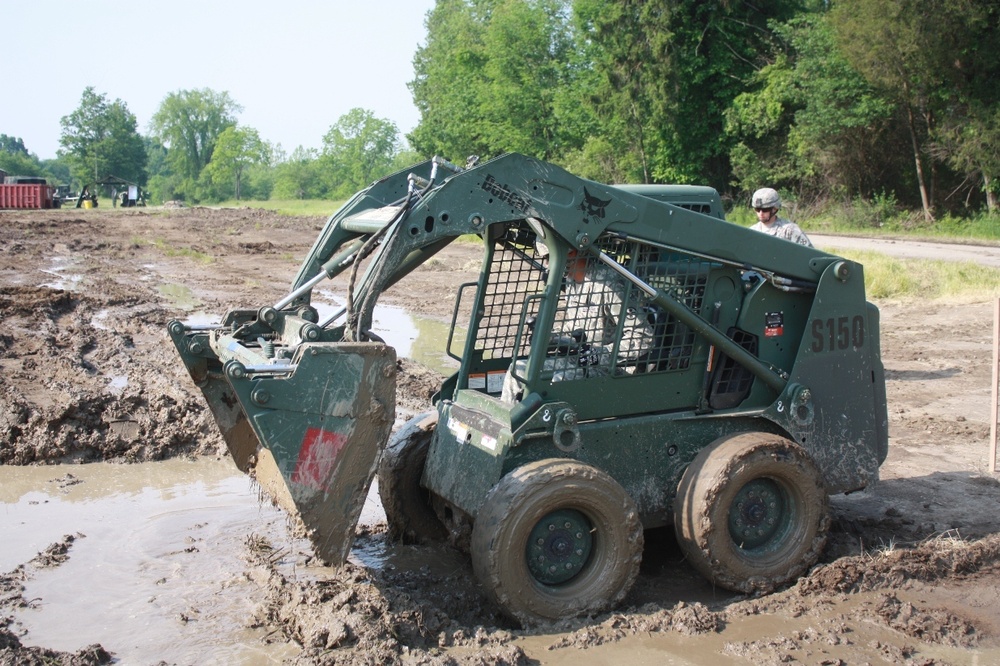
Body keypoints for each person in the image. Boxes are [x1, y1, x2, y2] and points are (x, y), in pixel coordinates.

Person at [501, 244, 654, 402]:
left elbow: (643, 337)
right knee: (518, 370)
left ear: (572, 252)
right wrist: (552, 338)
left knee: (561, 380)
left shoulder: (607, 284)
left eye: (549, 257)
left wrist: (600, 354)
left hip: (610, 368)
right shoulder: (571, 282)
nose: (546, 264)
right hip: (580, 360)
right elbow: (576, 328)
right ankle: (509, 416)